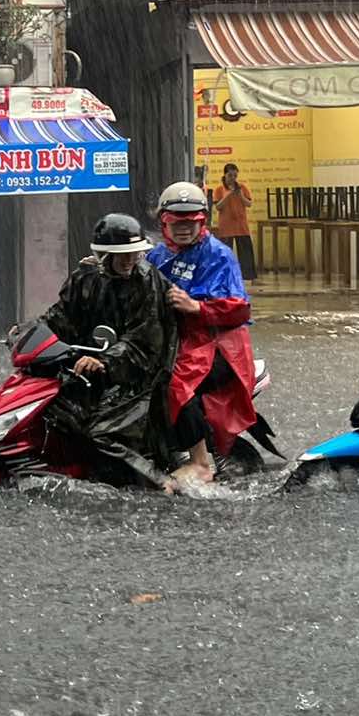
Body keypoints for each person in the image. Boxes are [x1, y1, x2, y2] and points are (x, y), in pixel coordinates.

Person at [32, 212, 180, 491]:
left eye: (134, 254)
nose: (129, 260)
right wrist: (29, 333)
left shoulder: (146, 281)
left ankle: (161, 482)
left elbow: (142, 339)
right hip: (97, 372)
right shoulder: (84, 279)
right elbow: (59, 318)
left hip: (138, 377)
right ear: (103, 255)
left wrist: (103, 361)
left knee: (99, 431)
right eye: (121, 254)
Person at [147, 181, 259, 487]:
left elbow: (240, 308)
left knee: (177, 383)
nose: (183, 229)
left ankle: (199, 463)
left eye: (191, 222)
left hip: (216, 344)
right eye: (176, 223)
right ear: (164, 223)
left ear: (202, 222)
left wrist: (196, 306)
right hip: (174, 340)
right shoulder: (157, 255)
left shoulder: (219, 255)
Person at [210, 162, 256, 280]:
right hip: (226, 226)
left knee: (245, 252)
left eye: (235, 176)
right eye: (230, 175)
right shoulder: (219, 189)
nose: (233, 178)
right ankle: (225, 275)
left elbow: (249, 204)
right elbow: (218, 207)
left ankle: (247, 276)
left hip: (241, 225)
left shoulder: (242, 187)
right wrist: (229, 194)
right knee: (225, 252)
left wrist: (240, 195)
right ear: (225, 175)